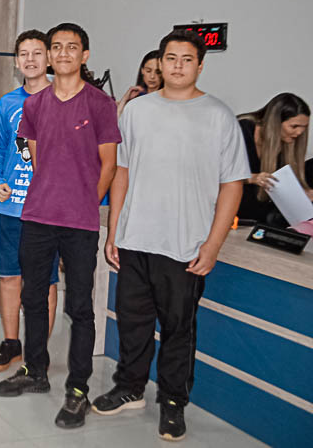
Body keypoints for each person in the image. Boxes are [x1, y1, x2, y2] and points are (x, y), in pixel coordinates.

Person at [95, 31, 249, 441]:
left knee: (179, 329)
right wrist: (115, 230)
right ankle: (129, 388)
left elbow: (233, 184)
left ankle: (173, 402)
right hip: (134, 239)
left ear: (200, 65)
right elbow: (122, 173)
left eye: (186, 59)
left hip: (184, 245)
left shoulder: (218, 116)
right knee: (132, 322)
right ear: (159, 63)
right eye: (170, 58)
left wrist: (212, 245)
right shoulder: (136, 111)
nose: (177, 65)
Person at [0, 22, 120, 431]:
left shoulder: (101, 104)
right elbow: (38, 159)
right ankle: (35, 370)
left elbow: (109, 165)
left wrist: (84, 203)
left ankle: (78, 389)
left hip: (79, 222)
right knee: (33, 298)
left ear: (85, 55)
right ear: (48, 55)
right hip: (37, 216)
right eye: (56, 47)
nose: (63, 53)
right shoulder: (35, 105)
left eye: (72, 47)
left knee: (80, 308)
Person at [0, 30, 59, 372]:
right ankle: (11, 343)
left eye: (36, 53)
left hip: (48, 210)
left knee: (44, 281)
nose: (30, 60)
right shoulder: (7, 103)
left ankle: (37, 350)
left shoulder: (63, 99)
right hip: (10, 206)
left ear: (49, 58)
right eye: (23, 54)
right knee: (9, 275)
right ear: (16, 61)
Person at [236, 93, 311, 226]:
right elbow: (214, 173)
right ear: (276, 123)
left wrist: (302, 193)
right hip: (230, 207)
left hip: (257, 213)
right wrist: (253, 178)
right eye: (294, 126)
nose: (300, 133)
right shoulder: (241, 130)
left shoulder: (286, 143)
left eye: (303, 128)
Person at [115, 50, 163, 116]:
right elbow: (119, 122)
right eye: (148, 71)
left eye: (158, 72)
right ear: (142, 70)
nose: (152, 76)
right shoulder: (136, 98)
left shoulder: (167, 100)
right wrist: (125, 100)